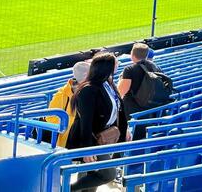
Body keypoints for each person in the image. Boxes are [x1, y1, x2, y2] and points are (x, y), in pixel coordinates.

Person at [66, 52, 128, 192]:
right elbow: (85, 122)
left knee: (92, 174)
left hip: (104, 137)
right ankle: (67, 189)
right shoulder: (88, 89)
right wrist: (87, 150)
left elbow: (119, 109)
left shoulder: (109, 84)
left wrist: (125, 129)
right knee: (108, 174)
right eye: (115, 64)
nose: (117, 66)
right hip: (91, 140)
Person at [117, 43, 166, 140]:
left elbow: (121, 92)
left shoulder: (129, 69)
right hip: (151, 106)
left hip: (133, 110)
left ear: (132, 54)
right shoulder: (156, 67)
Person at [46, 60, 90, 147]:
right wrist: (74, 124)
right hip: (68, 140)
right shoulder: (62, 94)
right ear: (85, 75)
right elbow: (50, 118)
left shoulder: (90, 91)